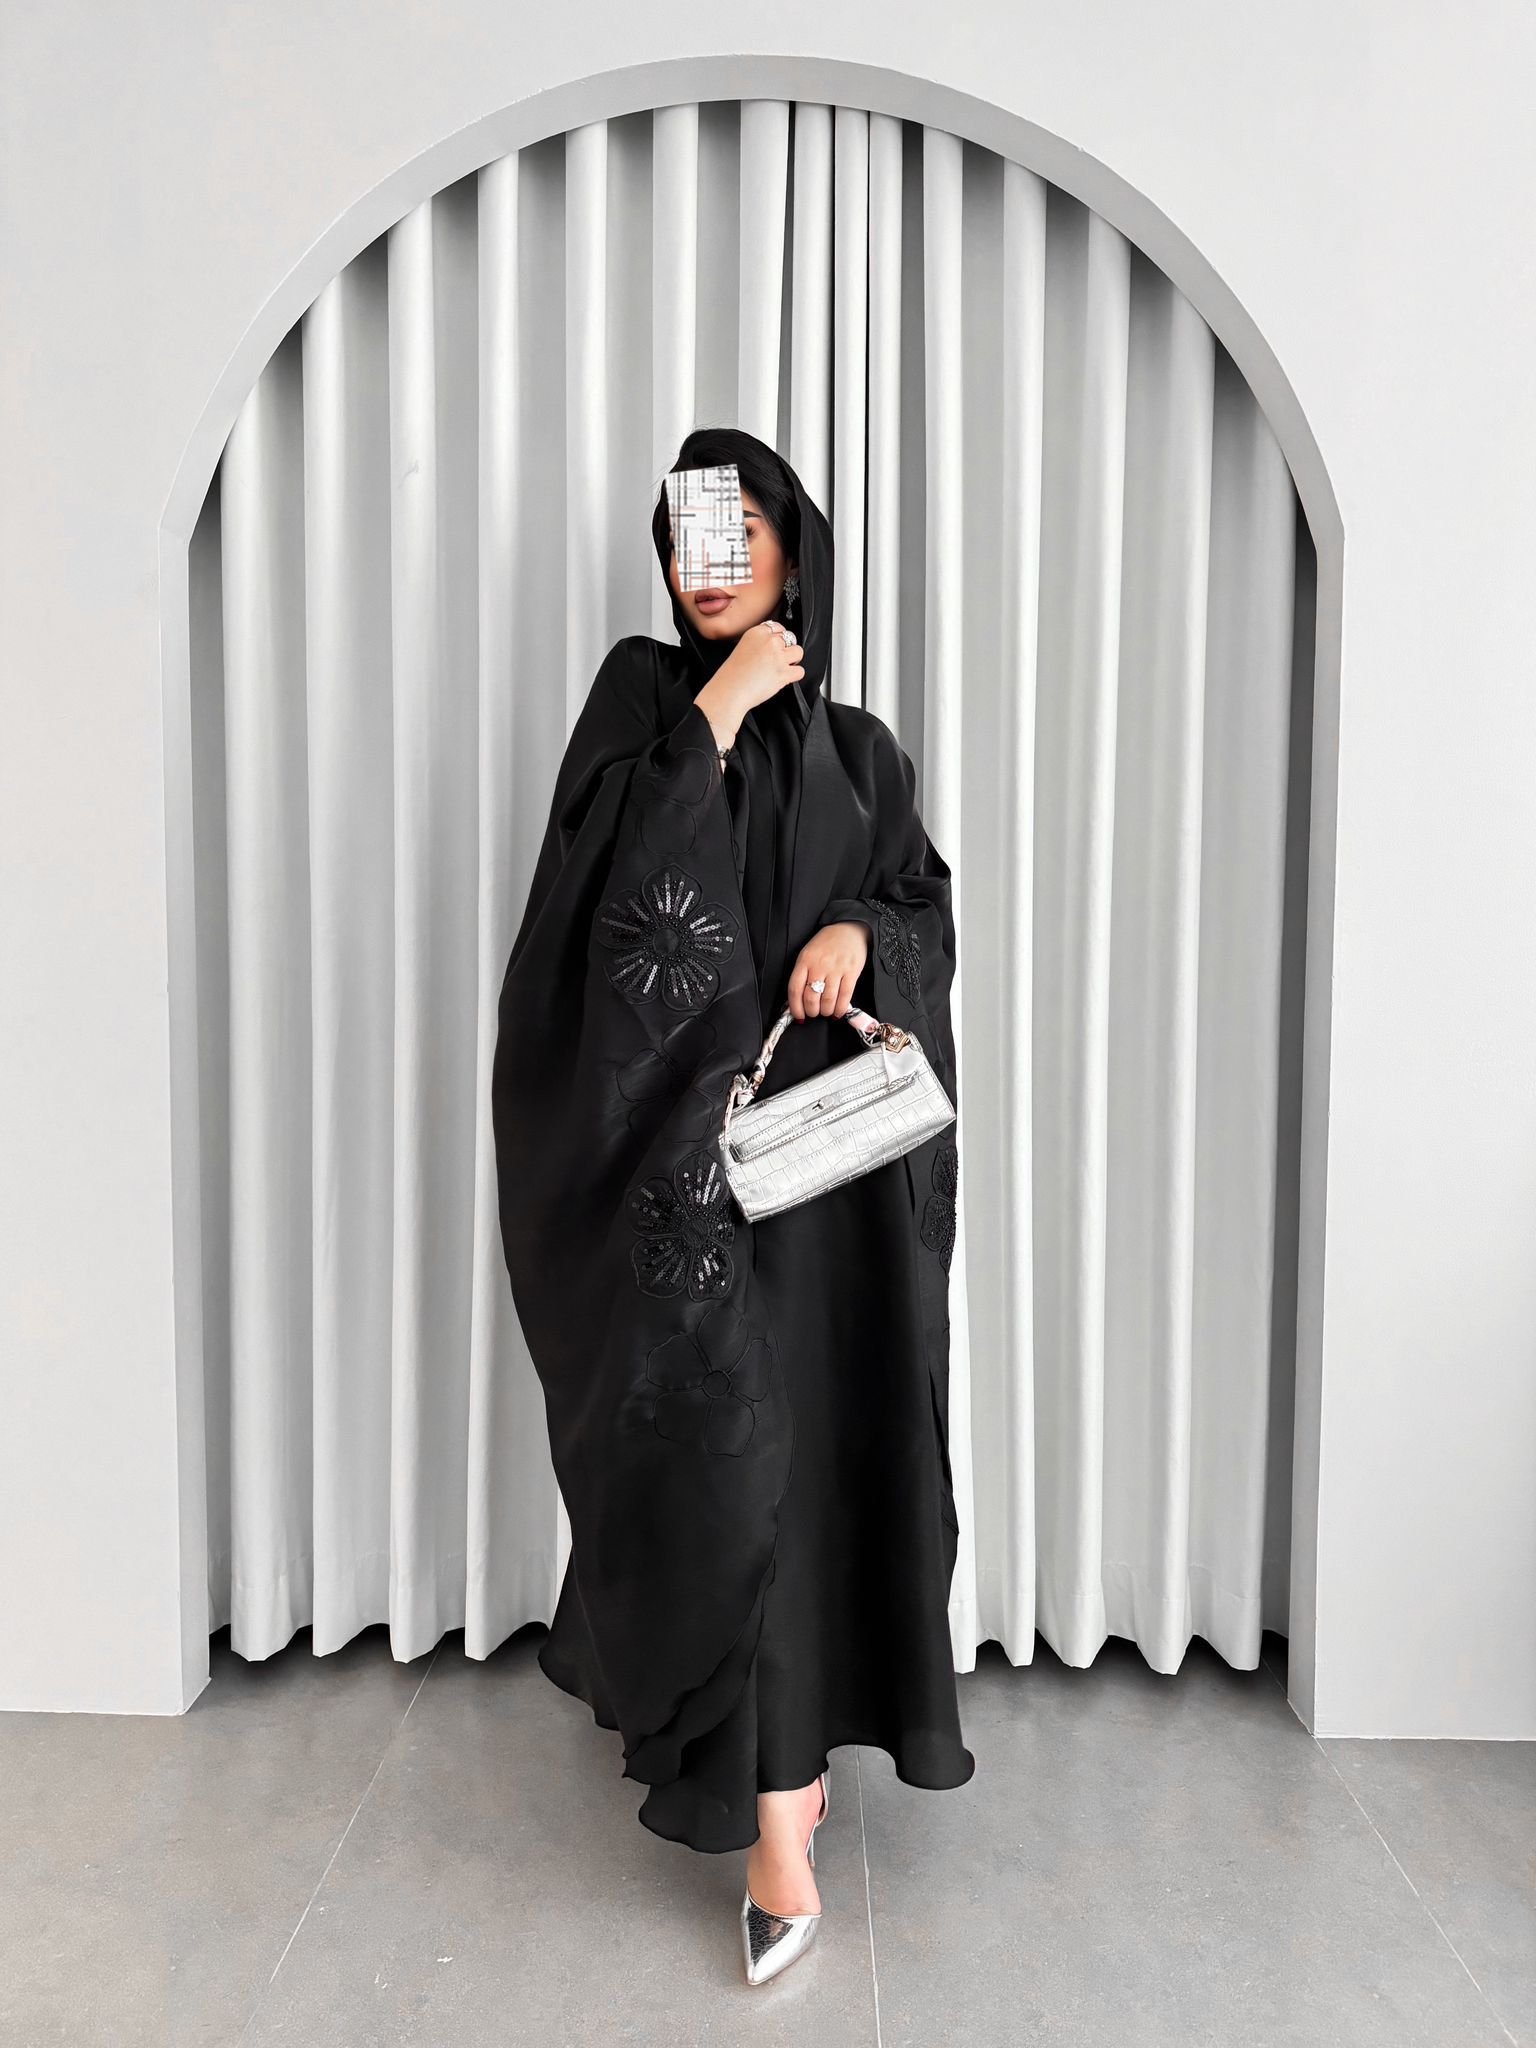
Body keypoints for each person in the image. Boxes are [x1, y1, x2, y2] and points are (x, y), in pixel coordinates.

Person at [492, 425, 973, 1986]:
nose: (709, 566)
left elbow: (921, 900)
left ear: (791, 548)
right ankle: (774, 1819)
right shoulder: (641, 706)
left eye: (739, 532)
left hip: (829, 1188)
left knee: (815, 1466)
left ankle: (788, 1774)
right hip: (686, 1197)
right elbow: (595, 915)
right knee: (727, 1467)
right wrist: (714, 710)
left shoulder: (866, 752)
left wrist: (858, 932)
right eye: (685, 537)